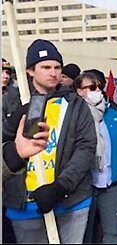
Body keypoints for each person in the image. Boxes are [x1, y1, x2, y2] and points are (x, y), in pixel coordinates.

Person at [2, 39, 96, 243]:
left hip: (70, 201)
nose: (53, 72)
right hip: (25, 205)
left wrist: (61, 187)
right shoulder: (10, 102)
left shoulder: (75, 104)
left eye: (57, 67)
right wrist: (14, 120)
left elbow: (86, 148)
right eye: (46, 67)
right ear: (30, 70)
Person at [74, 73, 117, 243]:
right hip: (85, 183)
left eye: (99, 87)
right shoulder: (75, 115)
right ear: (79, 91)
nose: (98, 91)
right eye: (92, 87)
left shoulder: (112, 114)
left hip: (111, 182)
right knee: (85, 232)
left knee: (112, 231)